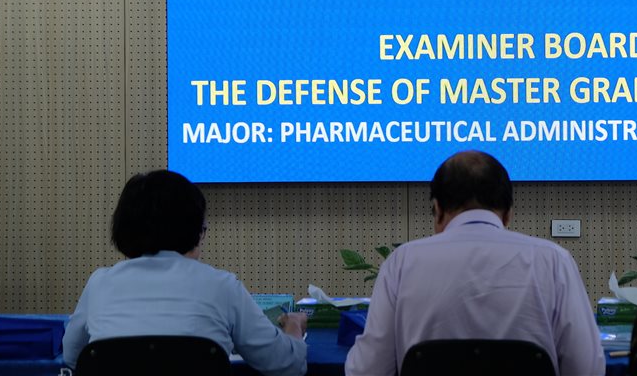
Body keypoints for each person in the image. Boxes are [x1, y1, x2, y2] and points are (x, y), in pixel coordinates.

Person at [344, 150, 605, 376]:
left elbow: (368, 370)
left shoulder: (402, 263)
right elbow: (588, 368)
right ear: (508, 214)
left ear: (437, 209)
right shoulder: (554, 261)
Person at [62, 170, 308, 376]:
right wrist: (295, 326)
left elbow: (72, 356)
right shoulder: (222, 286)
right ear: (195, 230)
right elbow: (287, 365)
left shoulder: (100, 283)